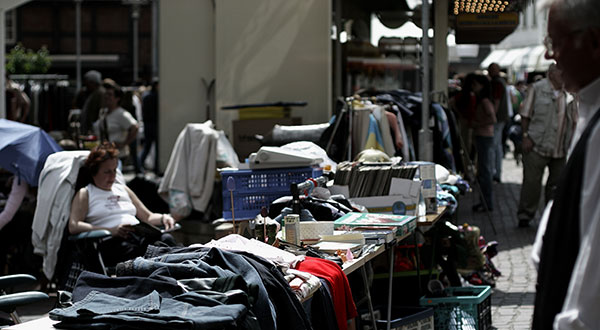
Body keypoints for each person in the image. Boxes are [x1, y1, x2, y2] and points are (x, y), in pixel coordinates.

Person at [532, 0, 600, 328]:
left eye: (555, 42)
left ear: (593, 41)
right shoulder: (587, 106)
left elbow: (591, 298)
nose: (550, 55)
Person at [68, 142, 176, 267]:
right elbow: (74, 226)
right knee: (155, 251)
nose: (112, 176)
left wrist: (164, 217)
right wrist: (110, 230)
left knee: (166, 239)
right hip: (112, 243)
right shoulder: (86, 193)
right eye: (107, 172)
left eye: (114, 170)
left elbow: (148, 217)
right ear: (94, 172)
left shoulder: (122, 189)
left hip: (137, 237)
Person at [517, 64, 576, 228]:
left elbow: (575, 121)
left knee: (556, 185)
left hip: (560, 148)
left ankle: (552, 217)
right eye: (560, 71)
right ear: (551, 73)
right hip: (536, 145)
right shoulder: (537, 88)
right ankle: (525, 215)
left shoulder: (569, 92)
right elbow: (525, 115)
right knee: (531, 183)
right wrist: (525, 136)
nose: (563, 74)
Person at [93, 79, 139, 165]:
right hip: (105, 154)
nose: (107, 97)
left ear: (117, 98)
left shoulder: (121, 114)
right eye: (106, 94)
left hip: (118, 155)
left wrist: (123, 144)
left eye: (110, 95)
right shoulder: (103, 112)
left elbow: (135, 128)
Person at [470, 74, 496, 212]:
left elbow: (493, 119)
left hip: (485, 137)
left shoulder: (485, 101)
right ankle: (484, 201)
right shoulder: (481, 100)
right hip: (481, 137)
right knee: (482, 171)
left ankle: (487, 202)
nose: (473, 88)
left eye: (475, 85)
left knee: (485, 172)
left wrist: (477, 124)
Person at [488, 63, 510, 183]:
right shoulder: (500, 82)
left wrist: (492, 117)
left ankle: (494, 172)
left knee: (494, 146)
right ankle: (496, 172)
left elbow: (496, 102)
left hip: (497, 119)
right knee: (497, 146)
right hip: (500, 118)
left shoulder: (497, 83)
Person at [139, 78, 159, 173]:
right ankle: (156, 166)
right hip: (154, 123)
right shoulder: (155, 96)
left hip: (148, 123)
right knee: (155, 147)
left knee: (147, 146)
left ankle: (140, 163)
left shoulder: (146, 96)